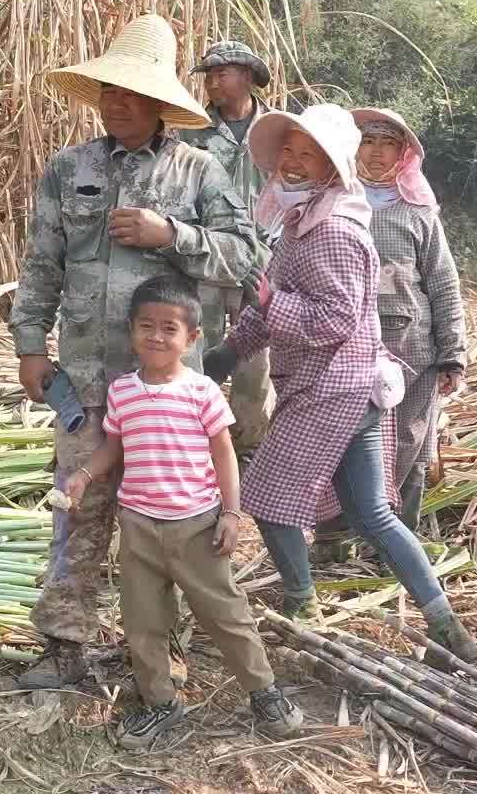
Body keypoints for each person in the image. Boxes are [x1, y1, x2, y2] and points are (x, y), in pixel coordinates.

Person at [10, 13, 256, 690]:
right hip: (86, 381)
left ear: (158, 103)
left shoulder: (198, 171)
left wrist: (169, 232)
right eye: (107, 92)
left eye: (129, 93)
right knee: (77, 509)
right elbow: (41, 264)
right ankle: (64, 644)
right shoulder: (71, 169)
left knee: (171, 520)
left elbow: (244, 257)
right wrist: (31, 345)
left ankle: (162, 647)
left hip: (169, 394)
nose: (115, 103)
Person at [204, 104, 477, 659]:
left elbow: (332, 321)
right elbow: (273, 305)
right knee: (373, 514)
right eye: (289, 150)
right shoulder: (301, 219)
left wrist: (270, 304)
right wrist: (231, 351)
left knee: (270, 499)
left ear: (332, 169)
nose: (296, 162)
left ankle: (303, 602)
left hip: (332, 386)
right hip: (349, 384)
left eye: (311, 155)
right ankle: (442, 617)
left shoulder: (331, 229)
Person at [60, 276, 304, 748]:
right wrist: (85, 475)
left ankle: (263, 691)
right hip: (138, 527)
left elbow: (224, 454)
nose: (156, 336)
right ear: (131, 331)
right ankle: (160, 702)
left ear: (191, 338)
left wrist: (232, 514)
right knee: (142, 620)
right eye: (146, 326)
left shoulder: (202, 393)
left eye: (168, 328)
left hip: (196, 525)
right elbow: (114, 446)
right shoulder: (123, 393)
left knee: (225, 613)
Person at [350, 107, 467, 529]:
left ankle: (398, 534)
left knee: (411, 440)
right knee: (351, 439)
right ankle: (344, 531)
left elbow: (442, 282)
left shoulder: (418, 210)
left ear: (403, 153)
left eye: (388, 144)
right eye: (368, 141)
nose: (377, 153)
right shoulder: (334, 200)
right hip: (349, 346)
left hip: (414, 349)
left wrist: (452, 353)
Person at [181, 41, 278, 456]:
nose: (213, 83)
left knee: (254, 365)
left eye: (222, 74)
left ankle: (248, 448)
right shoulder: (190, 129)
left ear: (248, 77)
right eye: (209, 76)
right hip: (206, 259)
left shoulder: (277, 132)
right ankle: (194, 441)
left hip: (259, 264)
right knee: (195, 354)